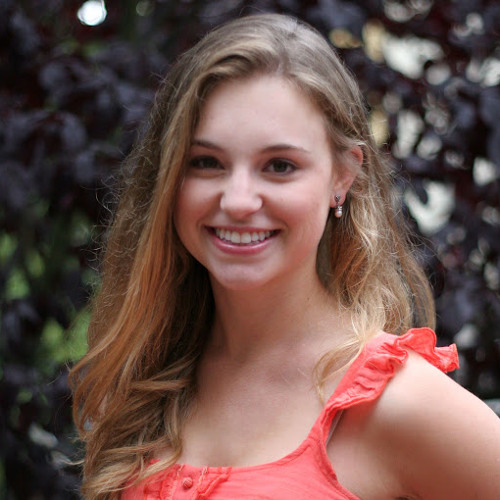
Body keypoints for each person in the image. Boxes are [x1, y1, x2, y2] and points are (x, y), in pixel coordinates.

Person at [69, 13, 500, 500]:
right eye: (206, 162)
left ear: (342, 176)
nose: (238, 200)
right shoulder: (144, 380)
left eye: (279, 165)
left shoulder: (399, 404)